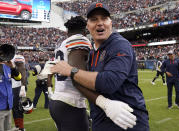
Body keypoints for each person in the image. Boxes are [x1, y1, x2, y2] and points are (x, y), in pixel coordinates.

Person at [50, 2, 149, 131]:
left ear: (110, 22)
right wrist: (103, 103)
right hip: (101, 120)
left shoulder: (120, 45)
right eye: (94, 19)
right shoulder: (92, 53)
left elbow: (109, 81)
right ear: (88, 26)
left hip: (126, 119)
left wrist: (70, 70)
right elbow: (80, 81)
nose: (100, 23)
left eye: (104, 18)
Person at [0, 44, 22, 131]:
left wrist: (13, 67)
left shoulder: (7, 67)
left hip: (8, 106)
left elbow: (18, 78)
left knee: (7, 129)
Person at [11, 54, 27, 131]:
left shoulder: (15, 56)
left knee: (16, 108)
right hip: (3, 85)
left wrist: (23, 86)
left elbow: (22, 70)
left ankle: (20, 127)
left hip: (15, 86)